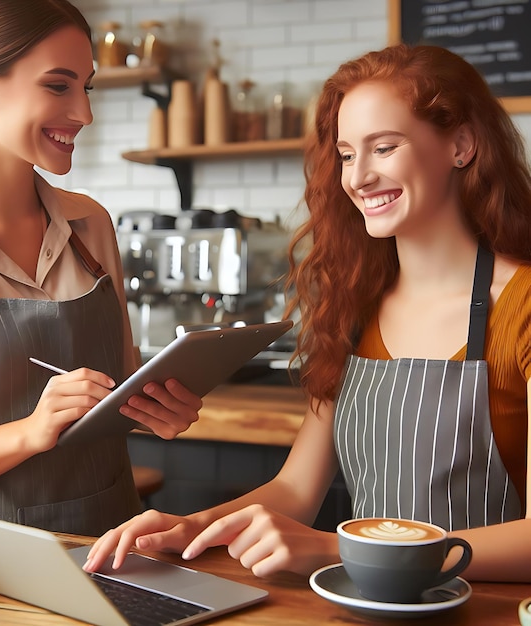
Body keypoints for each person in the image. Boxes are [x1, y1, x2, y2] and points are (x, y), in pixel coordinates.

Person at [84, 43, 531, 582]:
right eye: (346, 155)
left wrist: (334, 550)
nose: (358, 178)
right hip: (364, 611)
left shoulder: (522, 305)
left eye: (384, 147)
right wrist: (189, 529)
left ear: (460, 144)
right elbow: (295, 489)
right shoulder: (355, 307)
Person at [0, 0, 203, 536]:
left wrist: (156, 409)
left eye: (85, 87)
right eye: (58, 86)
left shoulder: (92, 225)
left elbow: (115, 397)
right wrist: (31, 431)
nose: (85, 114)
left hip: (116, 548)